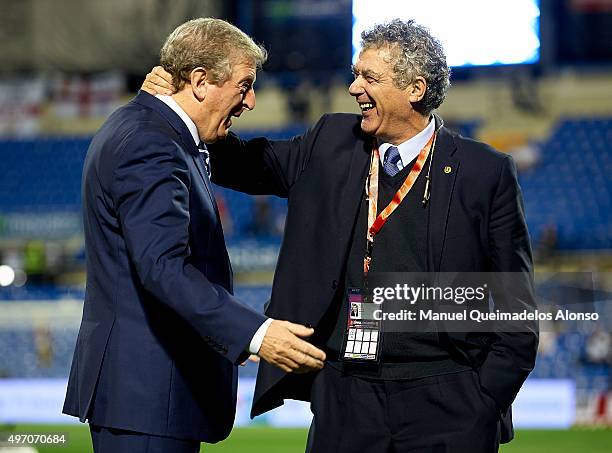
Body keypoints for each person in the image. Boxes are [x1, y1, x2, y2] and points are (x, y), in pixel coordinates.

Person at [144, 18, 538, 453]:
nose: (354, 88)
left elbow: (515, 312)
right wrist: (179, 107)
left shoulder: (485, 172)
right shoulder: (333, 140)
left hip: (448, 398)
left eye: (369, 77)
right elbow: (242, 164)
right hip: (346, 398)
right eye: (356, 75)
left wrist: (482, 405)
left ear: (415, 89)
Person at [64, 18, 325, 453]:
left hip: (149, 398)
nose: (250, 101)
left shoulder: (149, 128)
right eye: (243, 85)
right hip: (148, 398)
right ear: (201, 81)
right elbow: (163, 268)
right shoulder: (152, 143)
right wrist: (258, 333)